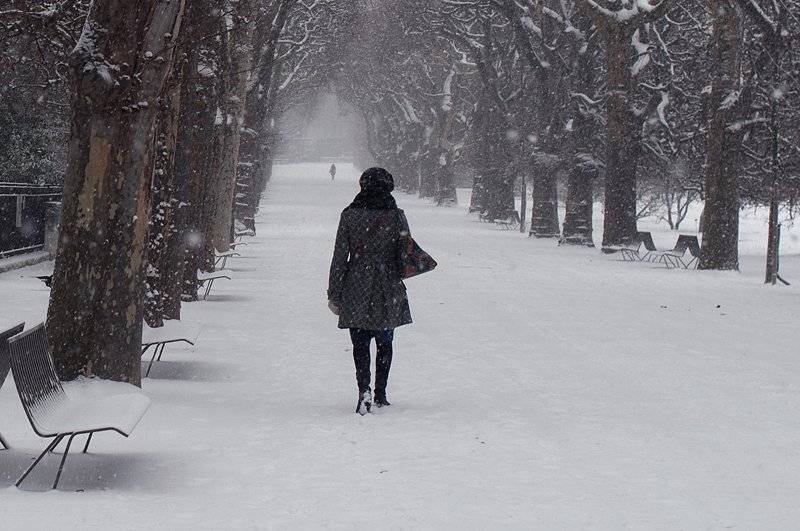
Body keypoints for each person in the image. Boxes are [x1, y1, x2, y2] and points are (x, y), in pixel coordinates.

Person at [327, 167, 412, 415]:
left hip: (357, 283)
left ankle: (363, 389)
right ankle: (381, 394)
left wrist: (334, 292)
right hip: (388, 284)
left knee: (360, 341)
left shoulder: (350, 215)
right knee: (385, 340)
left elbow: (339, 257)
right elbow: (405, 251)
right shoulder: (396, 216)